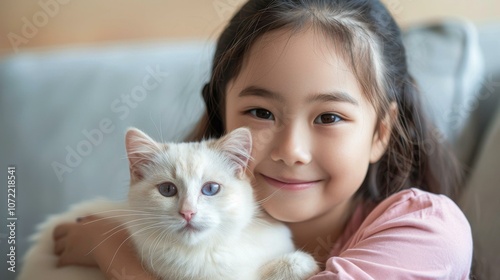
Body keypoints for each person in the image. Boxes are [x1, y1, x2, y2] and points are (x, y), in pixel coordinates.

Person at [53, 0, 473, 278]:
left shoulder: (427, 229)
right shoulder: (170, 230)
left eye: (328, 116)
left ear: (380, 132)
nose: (291, 150)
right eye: (261, 113)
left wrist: (116, 258)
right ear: (223, 120)